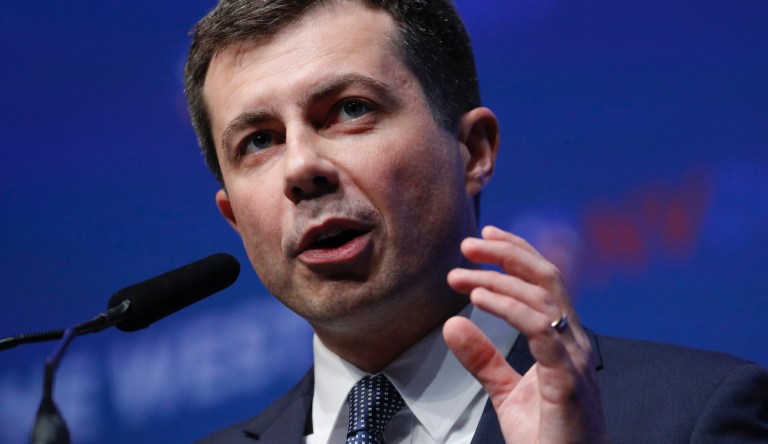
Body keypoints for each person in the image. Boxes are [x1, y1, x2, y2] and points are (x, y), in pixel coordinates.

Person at [183, 0, 768, 442]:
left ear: (474, 151)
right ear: (235, 219)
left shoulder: (696, 414)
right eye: (259, 141)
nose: (302, 167)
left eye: (350, 110)